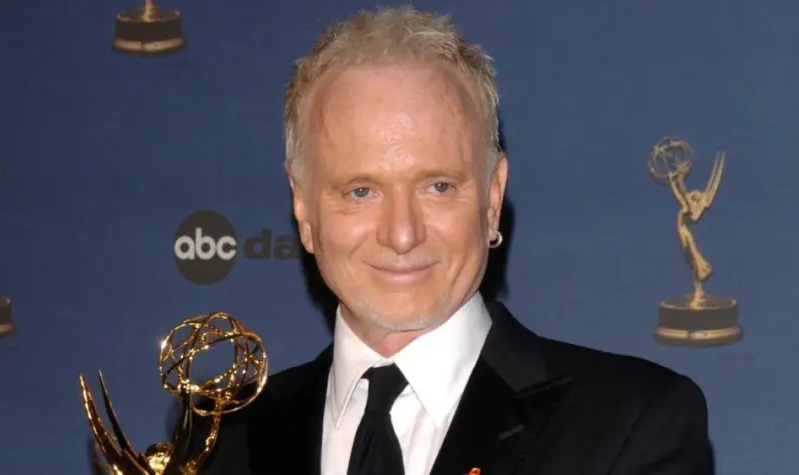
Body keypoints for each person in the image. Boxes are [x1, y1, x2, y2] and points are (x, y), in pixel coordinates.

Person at [193, 6, 714, 475]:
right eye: (361, 191)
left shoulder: (628, 424)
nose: (402, 234)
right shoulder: (221, 441)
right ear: (303, 208)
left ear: (492, 198)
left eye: (438, 186)